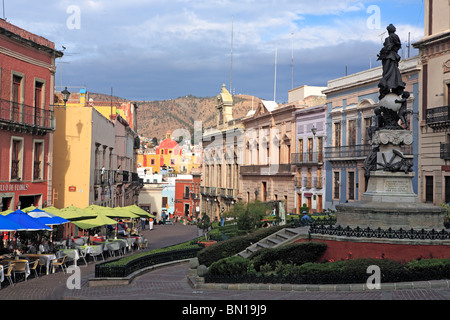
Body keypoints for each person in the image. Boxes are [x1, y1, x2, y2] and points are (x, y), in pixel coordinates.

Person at [377, 24, 405, 100]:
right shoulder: (390, 38)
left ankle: (386, 80)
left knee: (388, 70)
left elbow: (396, 45)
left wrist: (389, 48)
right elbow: (398, 45)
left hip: (390, 56)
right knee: (388, 70)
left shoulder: (392, 37)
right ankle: (387, 81)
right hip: (389, 56)